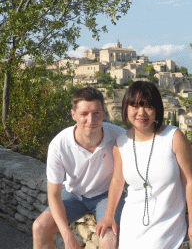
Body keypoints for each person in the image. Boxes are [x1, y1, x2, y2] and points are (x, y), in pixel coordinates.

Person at [96, 81, 192, 249]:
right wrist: (109, 216)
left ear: (157, 110)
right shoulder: (121, 143)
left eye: (148, 107)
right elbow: (117, 181)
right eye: (135, 106)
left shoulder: (173, 137)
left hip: (168, 230)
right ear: (126, 108)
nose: (141, 113)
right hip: (131, 228)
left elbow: (190, 182)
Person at [32, 86, 126, 249]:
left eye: (96, 113)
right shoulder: (60, 144)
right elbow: (53, 195)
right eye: (84, 114)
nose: (91, 120)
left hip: (106, 194)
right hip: (73, 194)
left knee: (109, 238)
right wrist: (67, 236)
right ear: (73, 114)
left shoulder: (119, 137)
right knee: (39, 228)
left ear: (103, 113)